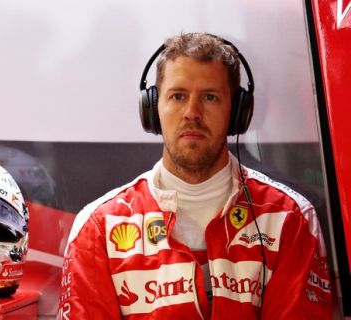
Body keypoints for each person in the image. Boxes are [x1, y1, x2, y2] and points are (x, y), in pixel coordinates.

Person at [58, 33, 332, 319]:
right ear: (152, 110)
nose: (192, 112)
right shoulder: (99, 228)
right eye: (178, 96)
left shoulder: (289, 219)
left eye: (210, 97)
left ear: (237, 112)